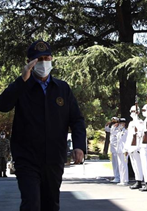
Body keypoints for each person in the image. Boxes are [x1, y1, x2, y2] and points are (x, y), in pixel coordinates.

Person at [0, 40, 86, 211]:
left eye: (47, 58)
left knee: (50, 204)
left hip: (54, 157)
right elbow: (3, 105)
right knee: (31, 203)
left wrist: (79, 146)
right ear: (29, 63)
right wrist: (21, 81)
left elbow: (76, 119)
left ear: (52, 59)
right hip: (27, 158)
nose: (43, 63)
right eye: (38, 60)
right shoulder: (21, 87)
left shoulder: (62, 88)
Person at [124, 105, 144, 189]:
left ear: (137, 112)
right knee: (134, 164)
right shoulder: (131, 123)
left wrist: (139, 147)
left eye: (133, 111)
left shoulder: (140, 122)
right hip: (131, 146)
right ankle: (137, 180)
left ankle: (140, 181)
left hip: (137, 146)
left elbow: (141, 133)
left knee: (138, 164)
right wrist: (126, 148)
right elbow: (129, 136)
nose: (131, 113)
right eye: (131, 111)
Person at [116, 118, 129, 186]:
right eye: (120, 123)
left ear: (124, 124)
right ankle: (121, 179)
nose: (120, 124)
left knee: (124, 165)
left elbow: (127, 141)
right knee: (120, 165)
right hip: (119, 150)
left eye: (122, 123)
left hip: (124, 150)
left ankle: (125, 180)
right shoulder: (119, 131)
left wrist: (126, 150)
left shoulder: (126, 131)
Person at [109, 117, 121, 183]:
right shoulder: (113, 127)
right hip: (113, 147)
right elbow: (107, 129)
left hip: (117, 147)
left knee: (118, 163)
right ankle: (116, 176)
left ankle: (119, 177)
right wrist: (108, 124)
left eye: (115, 121)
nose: (114, 123)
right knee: (114, 163)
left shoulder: (120, 128)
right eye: (113, 121)